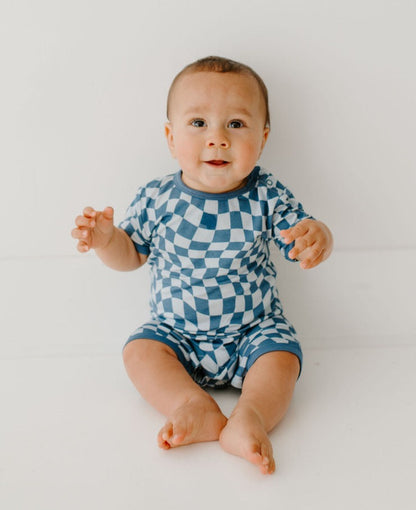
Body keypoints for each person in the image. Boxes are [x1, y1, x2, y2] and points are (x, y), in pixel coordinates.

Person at [71, 56, 333, 475]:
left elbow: (297, 235)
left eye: (235, 124)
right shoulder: (157, 198)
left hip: (254, 330)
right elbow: (132, 255)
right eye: (198, 124)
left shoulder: (267, 194)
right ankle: (191, 403)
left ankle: (251, 416)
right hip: (176, 333)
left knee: (283, 358)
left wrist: (317, 236)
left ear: (263, 138)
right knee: (140, 350)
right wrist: (107, 241)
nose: (217, 139)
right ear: (171, 137)